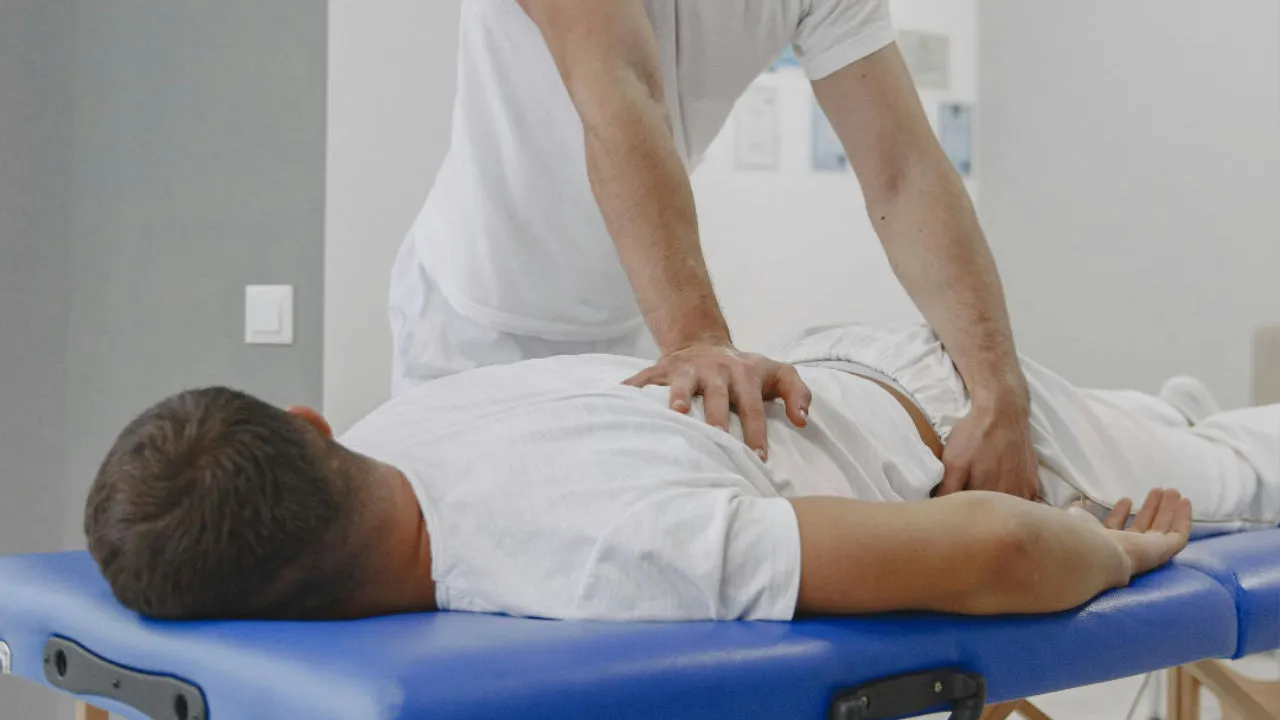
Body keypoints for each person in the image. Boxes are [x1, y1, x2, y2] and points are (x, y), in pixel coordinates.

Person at [85, 323, 1278, 622]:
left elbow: (1008, 546)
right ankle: (1161, 415)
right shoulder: (409, 411)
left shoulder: (600, 550)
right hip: (846, 373)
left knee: (1234, 475)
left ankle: (1187, 435)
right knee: (1169, 423)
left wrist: (1121, 550)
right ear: (314, 425)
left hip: (970, 434)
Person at [392, 0, 1039, 498]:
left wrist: (999, 391)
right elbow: (620, 95)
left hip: (625, 335)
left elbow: (904, 168)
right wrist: (700, 340)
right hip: (473, 323)